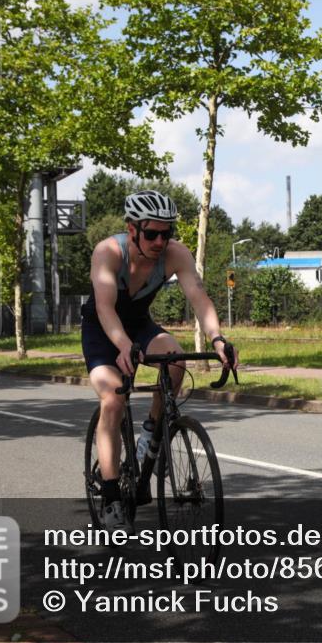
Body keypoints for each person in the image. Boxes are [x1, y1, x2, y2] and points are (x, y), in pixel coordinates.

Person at [81, 189, 238, 534]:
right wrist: (122, 345)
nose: (159, 240)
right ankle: (110, 499)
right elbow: (105, 308)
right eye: (151, 233)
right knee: (113, 399)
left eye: (166, 233)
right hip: (102, 330)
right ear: (132, 229)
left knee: (175, 359)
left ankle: (150, 436)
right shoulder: (108, 252)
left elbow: (199, 297)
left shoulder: (175, 254)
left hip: (139, 325)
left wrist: (217, 338)